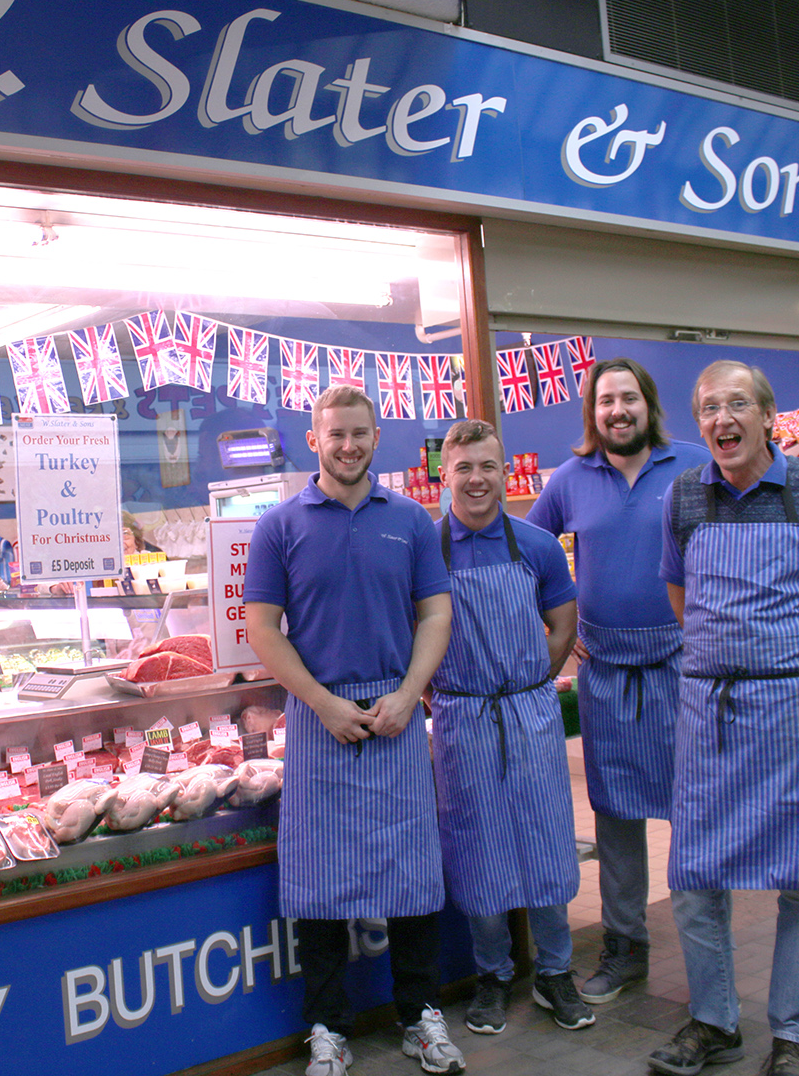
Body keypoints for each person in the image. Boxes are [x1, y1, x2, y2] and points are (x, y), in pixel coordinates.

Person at [649, 361, 799, 1076]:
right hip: (711, 715)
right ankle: (715, 1022)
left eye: (737, 404)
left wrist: (795, 657)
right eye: (709, 408)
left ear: (767, 416)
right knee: (693, 874)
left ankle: (793, 1037)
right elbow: (681, 599)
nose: (723, 420)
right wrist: (732, 659)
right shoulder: (685, 497)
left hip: (798, 713)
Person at [244, 384, 462, 1076]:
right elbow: (261, 628)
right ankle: (328, 1027)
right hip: (318, 718)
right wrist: (321, 702)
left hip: (397, 717)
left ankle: (420, 1016)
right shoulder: (279, 526)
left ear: (377, 437)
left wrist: (409, 695)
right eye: (335, 434)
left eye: (360, 433)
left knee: (413, 875)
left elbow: (435, 614)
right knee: (317, 881)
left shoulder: (411, 520)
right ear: (314, 439)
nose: (348, 445)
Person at [527, 359, 711, 1003]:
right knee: (615, 815)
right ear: (592, 413)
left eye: (628, 398)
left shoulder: (694, 465)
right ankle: (626, 946)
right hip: (604, 673)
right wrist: (558, 622)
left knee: (694, 808)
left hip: (684, 667)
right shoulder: (571, 479)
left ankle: (703, 951)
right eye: (606, 401)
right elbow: (526, 550)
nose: (617, 411)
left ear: (647, 404)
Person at [427, 419, 592, 1038]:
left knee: (547, 837)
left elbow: (562, 626)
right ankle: (492, 975)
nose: (476, 480)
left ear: (503, 473)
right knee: (478, 846)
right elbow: (414, 637)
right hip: (462, 716)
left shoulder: (538, 545)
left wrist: (525, 684)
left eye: (487, 467)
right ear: (446, 475)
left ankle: (555, 973)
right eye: (464, 468)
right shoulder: (427, 550)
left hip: (528, 711)